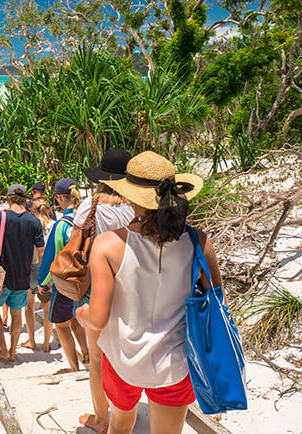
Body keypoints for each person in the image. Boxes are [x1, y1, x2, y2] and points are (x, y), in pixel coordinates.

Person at [76, 151, 215, 434]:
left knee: (120, 427)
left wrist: (83, 314)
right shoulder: (198, 241)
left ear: (130, 195)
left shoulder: (108, 245)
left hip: (122, 360)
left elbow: (98, 319)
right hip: (176, 364)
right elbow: (214, 298)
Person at [72, 148, 135, 434]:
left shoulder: (92, 204)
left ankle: (101, 417)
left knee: (97, 357)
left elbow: (75, 242)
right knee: (127, 349)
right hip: (132, 285)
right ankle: (127, 410)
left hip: (97, 284)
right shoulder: (137, 206)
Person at [0, 184, 45, 362]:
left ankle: (3, 349)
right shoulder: (34, 221)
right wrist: (41, 278)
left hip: (1, 276)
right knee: (17, 313)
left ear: (8, 198)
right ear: (25, 200)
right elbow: (41, 252)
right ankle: (13, 352)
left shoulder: (1, 217)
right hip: (22, 276)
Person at [37, 178, 89, 374]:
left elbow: (51, 256)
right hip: (85, 281)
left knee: (61, 324)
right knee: (76, 318)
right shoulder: (86, 220)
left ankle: (74, 367)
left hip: (65, 284)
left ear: (59, 198)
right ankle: (86, 354)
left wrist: (42, 282)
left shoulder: (61, 226)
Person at [20, 197, 54, 352]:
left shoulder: (29, 226)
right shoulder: (54, 226)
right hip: (49, 271)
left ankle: (32, 340)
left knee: (29, 306)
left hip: (32, 267)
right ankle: (46, 343)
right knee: (47, 309)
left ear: (32, 211)